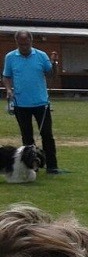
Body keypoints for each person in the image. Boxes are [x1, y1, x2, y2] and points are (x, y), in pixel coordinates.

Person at [2, 30, 62, 174]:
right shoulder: (10, 57)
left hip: (41, 103)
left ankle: (52, 166)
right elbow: (6, 76)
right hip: (20, 104)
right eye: (21, 44)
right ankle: (30, 167)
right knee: (27, 137)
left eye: (26, 44)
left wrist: (54, 63)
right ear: (17, 43)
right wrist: (9, 90)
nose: (24, 47)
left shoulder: (41, 56)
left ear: (31, 42)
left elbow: (52, 75)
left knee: (47, 135)